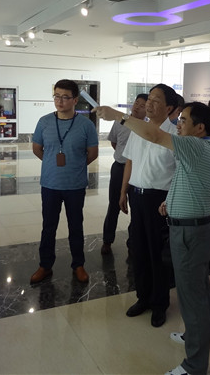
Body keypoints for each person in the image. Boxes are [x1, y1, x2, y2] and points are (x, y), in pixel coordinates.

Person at [94, 101, 210, 375]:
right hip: (194, 227)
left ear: (200, 127)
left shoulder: (195, 146)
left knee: (192, 296)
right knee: (198, 290)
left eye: (184, 120)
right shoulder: (203, 148)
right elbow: (190, 180)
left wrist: (118, 116)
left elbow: (154, 135)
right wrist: (171, 202)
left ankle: (195, 365)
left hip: (190, 233)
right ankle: (195, 336)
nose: (179, 124)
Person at [119, 84, 179, 327]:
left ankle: (159, 304)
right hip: (137, 196)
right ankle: (143, 297)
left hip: (159, 200)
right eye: (149, 99)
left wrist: (170, 200)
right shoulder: (138, 129)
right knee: (139, 250)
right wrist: (123, 191)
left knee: (158, 254)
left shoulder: (174, 135)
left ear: (169, 107)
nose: (149, 104)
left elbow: (180, 172)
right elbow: (130, 162)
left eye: (156, 100)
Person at [30, 79, 99, 284]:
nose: (60, 101)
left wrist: (75, 166)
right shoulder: (44, 122)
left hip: (75, 185)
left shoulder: (86, 125)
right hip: (50, 184)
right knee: (48, 226)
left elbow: (92, 153)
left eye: (65, 97)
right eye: (57, 96)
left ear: (75, 100)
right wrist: (52, 163)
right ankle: (45, 265)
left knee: (76, 226)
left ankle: (78, 265)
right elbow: (37, 149)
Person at [101, 93, 148, 255]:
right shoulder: (120, 122)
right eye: (136, 103)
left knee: (136, 207)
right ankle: (107, 240)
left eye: (142, 105)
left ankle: (132, 242)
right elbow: (114, 142)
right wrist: (124, 157)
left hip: (138, 171)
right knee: (114, 204)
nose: (137, 107)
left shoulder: (148, 128)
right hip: (119, 168)